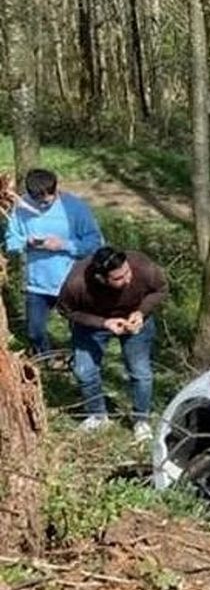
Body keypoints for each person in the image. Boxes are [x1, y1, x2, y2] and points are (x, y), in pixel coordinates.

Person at [57, 246, 168, 440]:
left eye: (127, 272)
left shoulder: (142, 266)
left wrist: (141, 312)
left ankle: (141, 419)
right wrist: (103, 323)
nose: (127, 279)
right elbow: (67, 310)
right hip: (93, 321)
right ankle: (98, 416)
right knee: (84, 370)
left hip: (135, 319)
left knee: (140, 371)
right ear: (101, 278)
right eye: (118, 278)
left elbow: (161, 290)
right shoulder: (77, 283)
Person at [3, 169, 103, 359]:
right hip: (37, 284)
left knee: (80, 330)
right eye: (40, 198)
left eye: (51, 195)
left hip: (72, 281)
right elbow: (11, 242)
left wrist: (64, 245)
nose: (47, 201)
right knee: (35, 332)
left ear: (56, 187)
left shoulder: (75, 207)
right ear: (30, 194)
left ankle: (82, 362)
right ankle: (48, 360)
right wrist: (27, 243)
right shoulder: (21, 209)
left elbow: (95, 243)